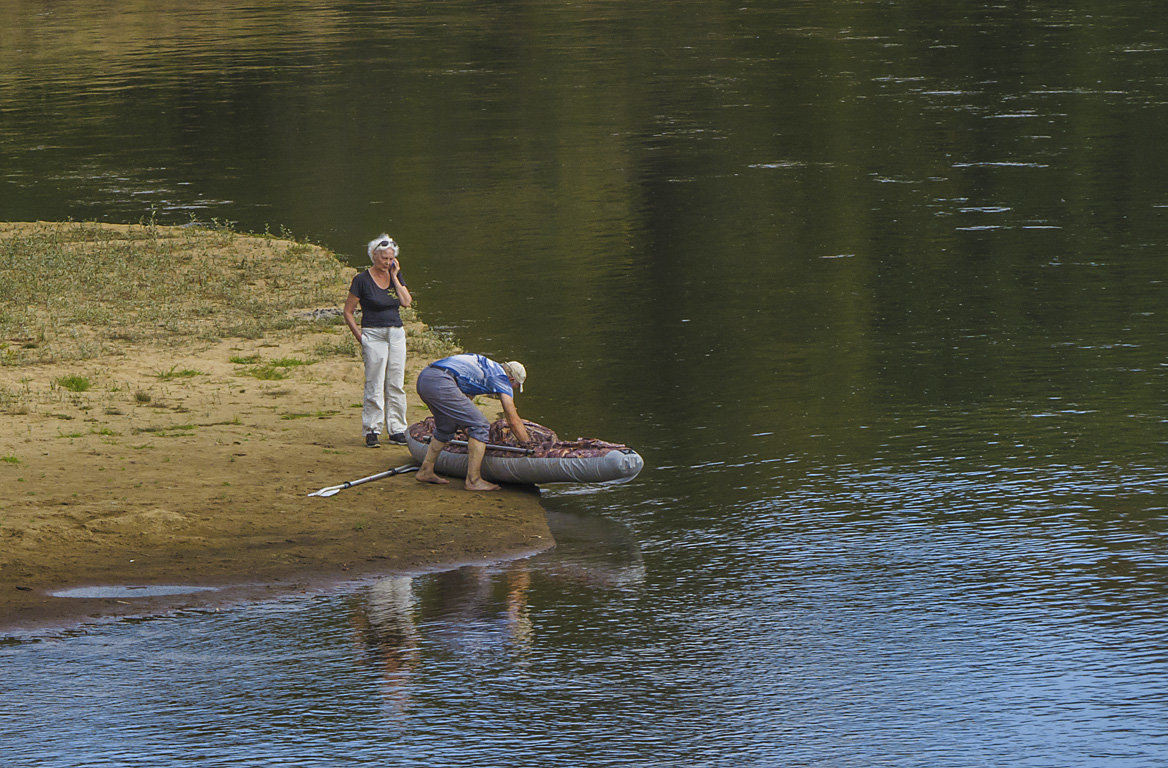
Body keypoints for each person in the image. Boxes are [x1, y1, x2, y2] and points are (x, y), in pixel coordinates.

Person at [415, 354, 531, 491]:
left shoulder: (486, 368)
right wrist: (528, 445)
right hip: (442, 381)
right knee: (480, 425)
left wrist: (469, 434)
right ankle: (473, 480)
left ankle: (425, 470)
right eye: (516, 386)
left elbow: (464, 410)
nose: (514, 389)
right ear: (511, 379)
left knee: (447, 426)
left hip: (426, 378)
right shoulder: (501, 378)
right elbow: (513, 420)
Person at [343, 234, 413, 448]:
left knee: (396, 382)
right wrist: (361, 337)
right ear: (374, 256)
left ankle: (397, 429)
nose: (388, 262)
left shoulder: (395, 276)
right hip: (373, 333)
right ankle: (372, 429)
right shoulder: (361, 280)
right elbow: (348, 312)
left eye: (391, 258)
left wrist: (395, 276)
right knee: (374, 382)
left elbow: (406, 303)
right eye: (384, 258)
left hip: (396, 333)